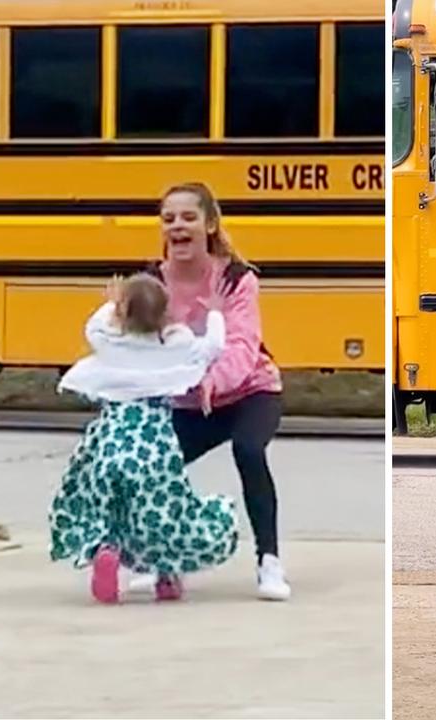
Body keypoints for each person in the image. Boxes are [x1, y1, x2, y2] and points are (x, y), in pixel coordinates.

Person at [49, 274, 239, 604]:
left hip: (112, 438)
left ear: (122, 313)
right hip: (155, 444)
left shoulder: (108, 338)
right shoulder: (176, 343)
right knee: (161, 510)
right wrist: (215, 312)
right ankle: (166, 576)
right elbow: (214, 347)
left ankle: (105, 547)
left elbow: (92, 326)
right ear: (167, 315)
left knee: (103, 503)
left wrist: (113, 302)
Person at [143, 182, 291, 601]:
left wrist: (211, 380)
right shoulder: (152, 281)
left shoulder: (234, 278)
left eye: (188, 217)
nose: (178, 226)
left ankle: (269, 563)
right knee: (154, 464)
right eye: (169, 218)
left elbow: (244, 344)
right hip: (189, 402)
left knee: (248, 449)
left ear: (209, 224)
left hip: (250, 392)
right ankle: (161, 559)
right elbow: (136, 342)